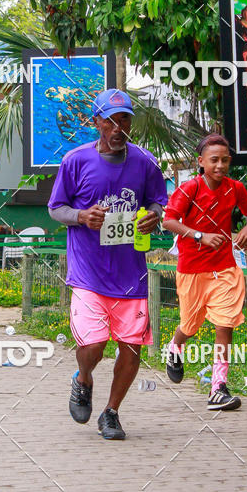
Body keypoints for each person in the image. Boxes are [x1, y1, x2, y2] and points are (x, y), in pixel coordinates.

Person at [48, 88, 168, 440]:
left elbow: (158, 203)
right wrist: (82, 216)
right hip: (88, 273)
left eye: (125, 120)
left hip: (131, 274)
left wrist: (154, 217)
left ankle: (111, 412)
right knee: (94, 345)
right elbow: (56, 208)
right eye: (112, 121)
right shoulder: (75, 161)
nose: (119, 128)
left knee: (131, 348)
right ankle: (83, 378)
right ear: (97, 122)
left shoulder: (145, 162)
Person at [162, 134, 247, 410]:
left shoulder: (235, 188)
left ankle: (218, 387)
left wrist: (246, 229)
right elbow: (169, 221)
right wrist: (198, 235)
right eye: (214, 160)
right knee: (190, 325)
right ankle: (175, 348)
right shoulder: (188, 189)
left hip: (225, 267)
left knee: (225, 323)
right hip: (192, 269)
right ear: (201, 162)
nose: (220, 165)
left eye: (225, 160)